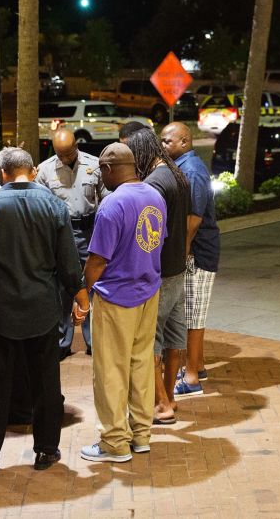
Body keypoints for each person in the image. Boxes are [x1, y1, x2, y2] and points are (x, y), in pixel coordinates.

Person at [0, 148, 89, 473]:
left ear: (2, 174)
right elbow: (68, 262)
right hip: (42, 310)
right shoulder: (54, 206)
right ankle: (46, 450)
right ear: (31, 172)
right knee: (46, 382)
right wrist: (80, 296)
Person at [80, 143, 166, 463]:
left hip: (116, 296)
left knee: (110, 370)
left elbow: (97, 261)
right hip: (148, 291)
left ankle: (114, 442)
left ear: (107, 170)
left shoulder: (112, 205)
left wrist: (82, 293)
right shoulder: (155, 196)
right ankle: (141, 434)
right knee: (141, 363)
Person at [124, 129, 190, 425]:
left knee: (149, 340)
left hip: (160, 272)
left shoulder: (154, 184)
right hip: (177, 268)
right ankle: (171, 398)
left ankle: (160, 403)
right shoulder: (177, 174)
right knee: (174, 338)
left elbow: (150, 234)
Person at [35, 128, 107, 358]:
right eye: (60, 154)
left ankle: (93, 341)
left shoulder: (94, 164)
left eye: (68, 153)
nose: (65, 159)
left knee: (92, 284)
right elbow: (40, 206)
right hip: (60, 232)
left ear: (76, 146)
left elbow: (105, 198)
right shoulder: (45, 170)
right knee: (61, 287)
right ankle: (62, 342)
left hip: (89, 230)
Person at [161, 122, 221, 397]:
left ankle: (193, 378)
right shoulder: (184, 167)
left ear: (184, 142)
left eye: (167, 141)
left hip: (197, 253)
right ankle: (198, 364)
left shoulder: (192, 171)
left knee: (193, 316)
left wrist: (181, 254)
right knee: (191, 313)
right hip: (194, 251)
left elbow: (193, 220)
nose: (163, 145)